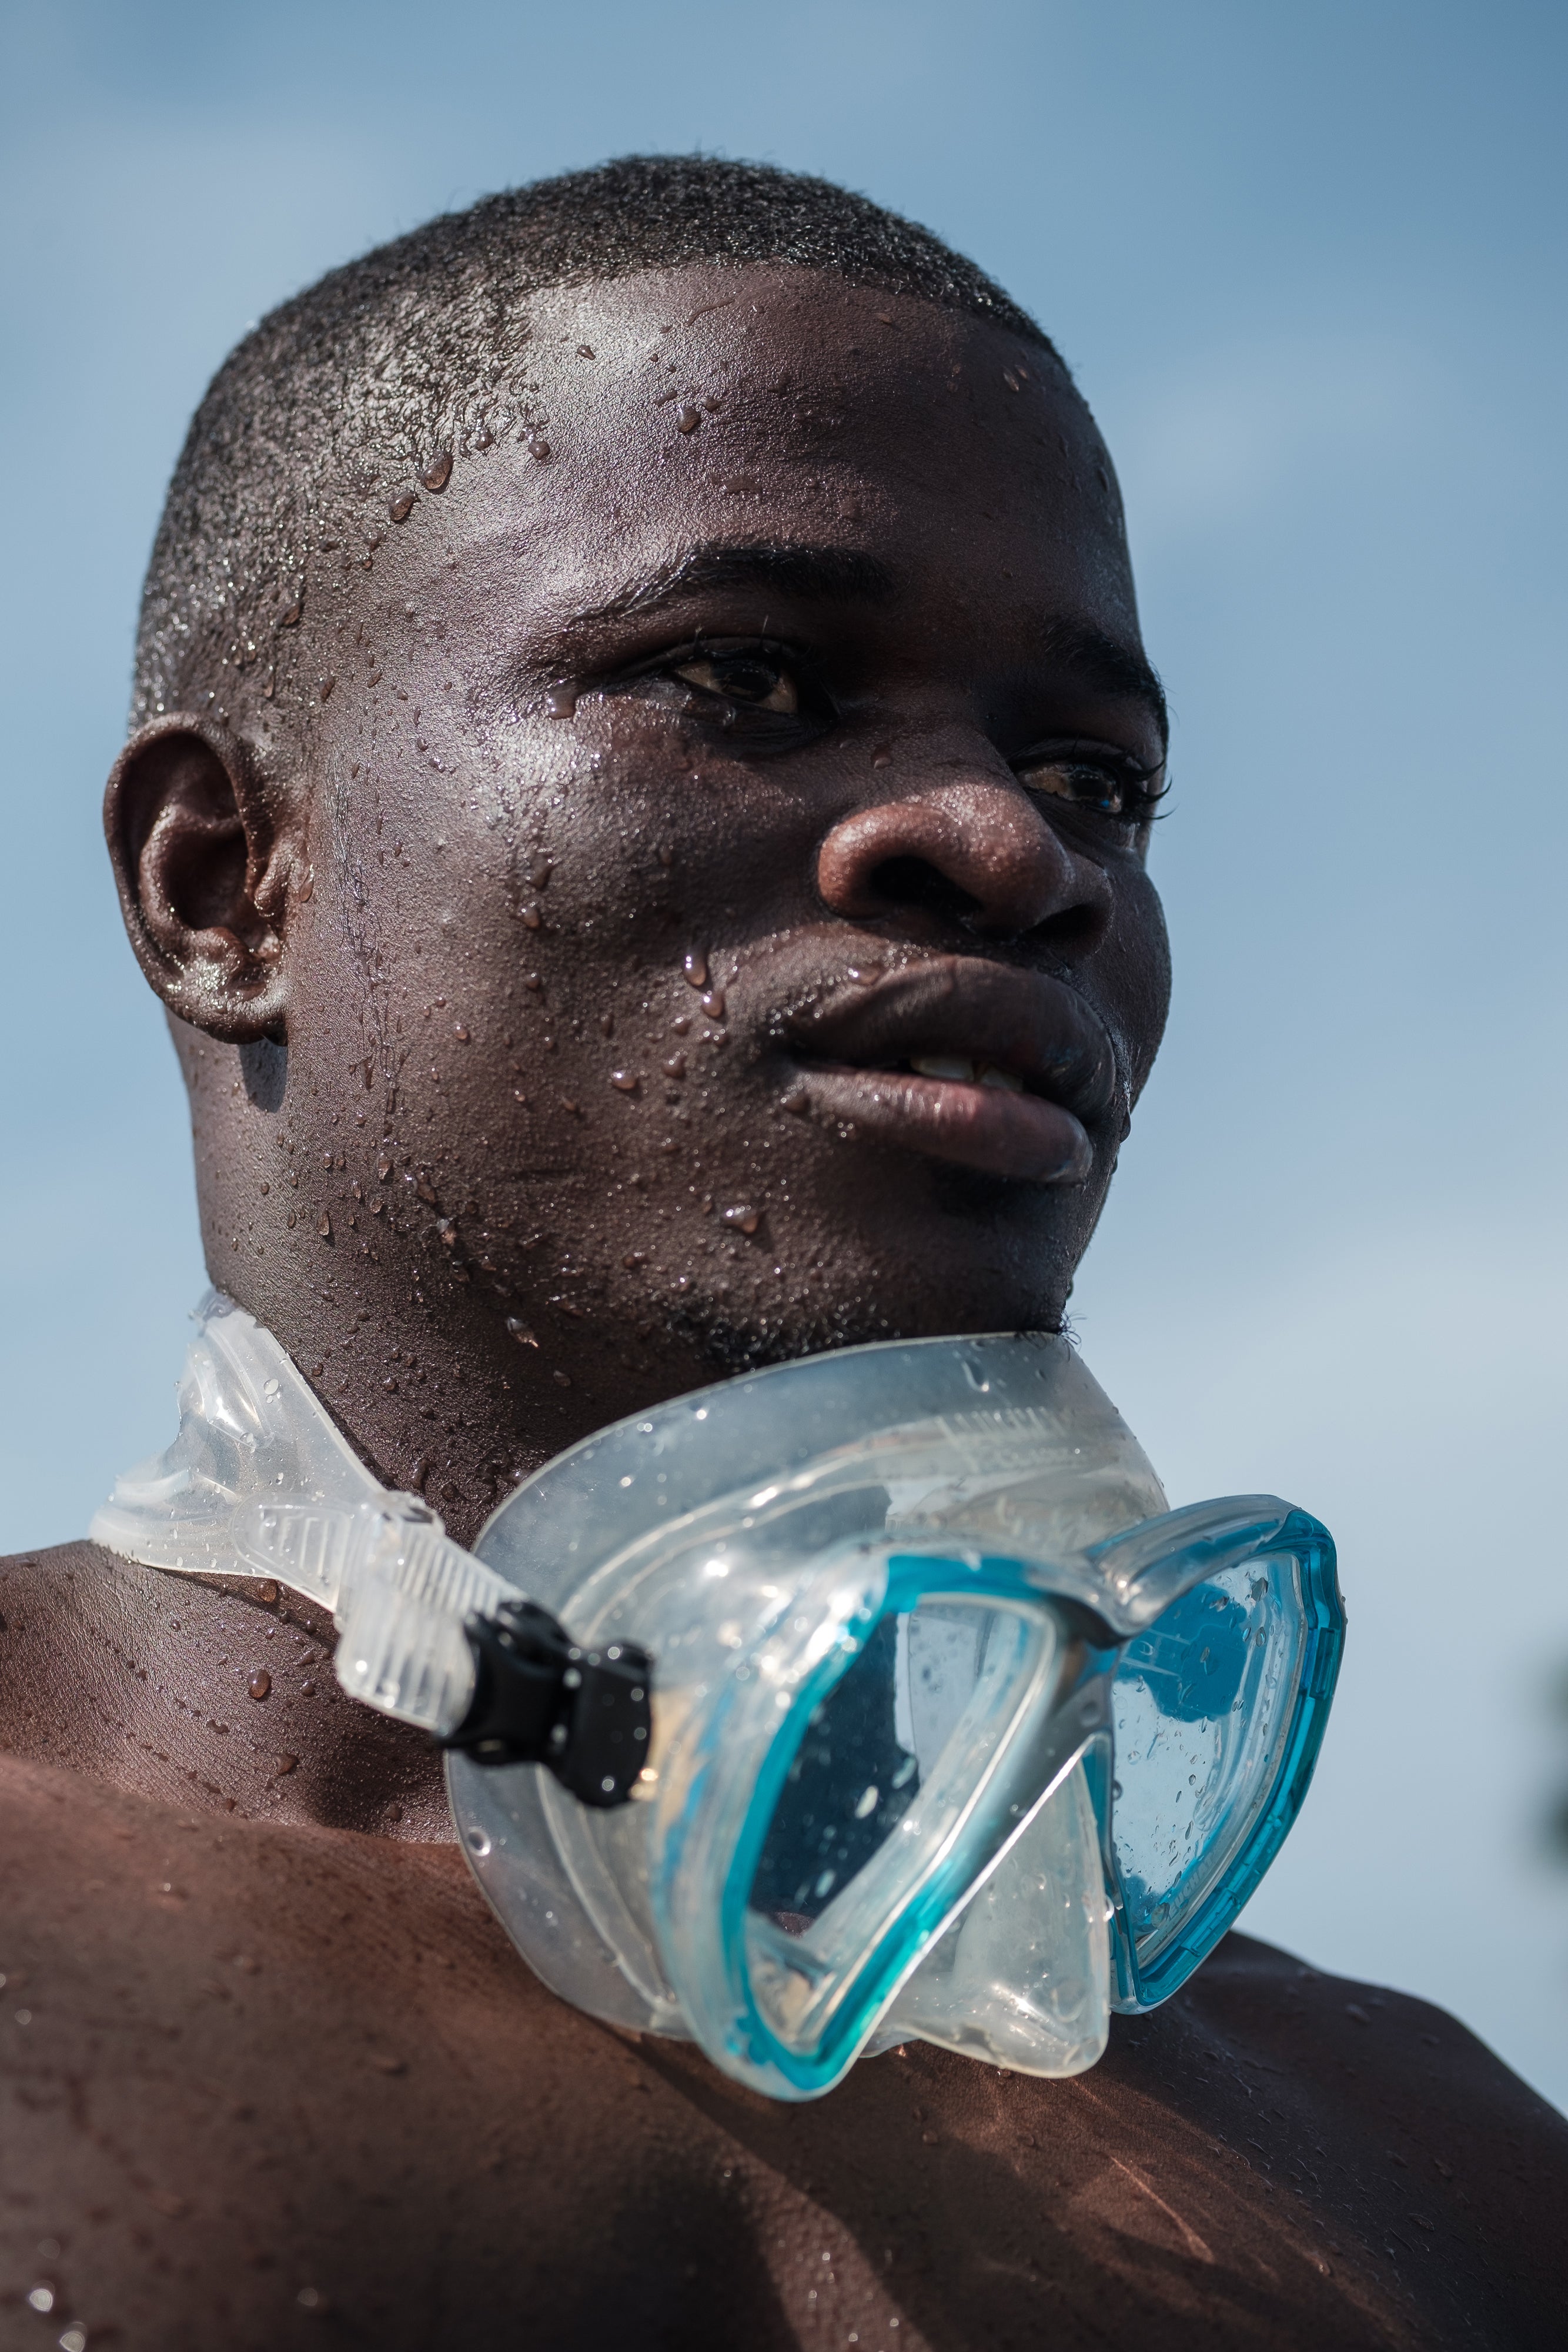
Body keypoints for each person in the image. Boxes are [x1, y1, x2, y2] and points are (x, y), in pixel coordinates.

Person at [1, 157, 1561, 2351]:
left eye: (1100, 780)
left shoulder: (1441, 2170)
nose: (1017, 849)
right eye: (743, 678)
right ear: (222, 882)